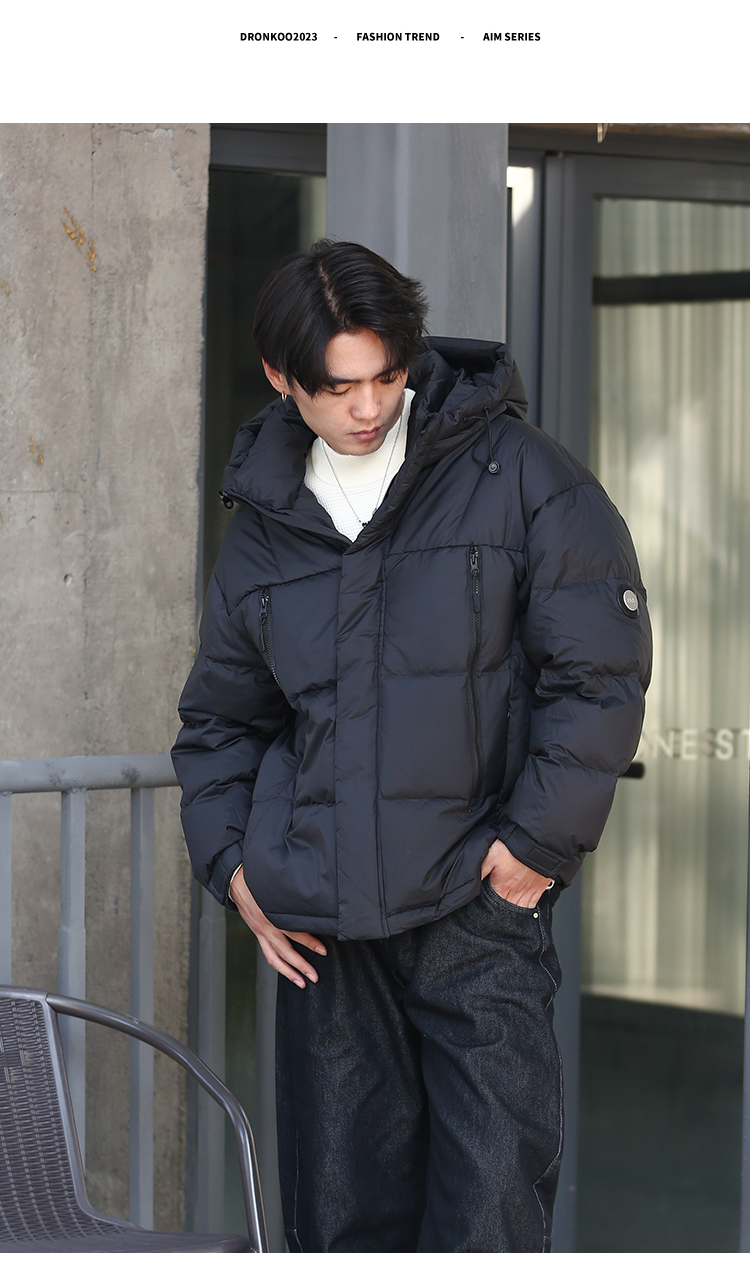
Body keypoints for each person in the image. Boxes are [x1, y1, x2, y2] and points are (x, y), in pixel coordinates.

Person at [171, 239, 652, 1253]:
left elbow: (598, 672)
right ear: (281, 379)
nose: (369, 406)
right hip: (322, 932)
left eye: (387, 376)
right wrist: (236, 871)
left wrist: (533, 849)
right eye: (339, 386)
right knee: (343, 1231)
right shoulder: (264, 522)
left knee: (490, 1221)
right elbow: (220, 723)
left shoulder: (519, 475)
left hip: (476, 908)